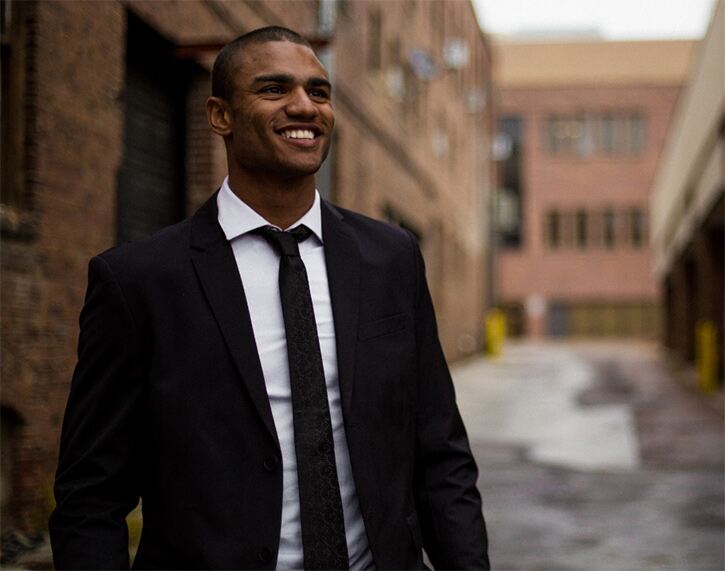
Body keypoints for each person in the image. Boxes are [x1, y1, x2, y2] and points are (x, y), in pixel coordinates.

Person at [49, 26, 489, 570]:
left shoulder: (390, 259)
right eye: (275, 89)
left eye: (319, 92)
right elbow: (91, 495)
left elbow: (441, 454)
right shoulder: (139, 281)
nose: (305, 106)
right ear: (220, 116)